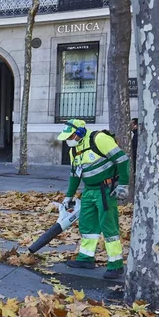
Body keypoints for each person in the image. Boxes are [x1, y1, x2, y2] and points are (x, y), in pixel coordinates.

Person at [57, 119, 130, 279]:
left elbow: (122, 159)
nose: (69, 140)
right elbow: (74, 175)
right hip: (89, 191)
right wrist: (69, 196)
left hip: (105, 190)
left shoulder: (99, 139)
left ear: (80, 132)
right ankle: (86, 258)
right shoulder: (74, 150)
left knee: (109, 226)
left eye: (71, 136)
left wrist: (123, 185)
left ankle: (116, 264)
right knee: (87, 225)